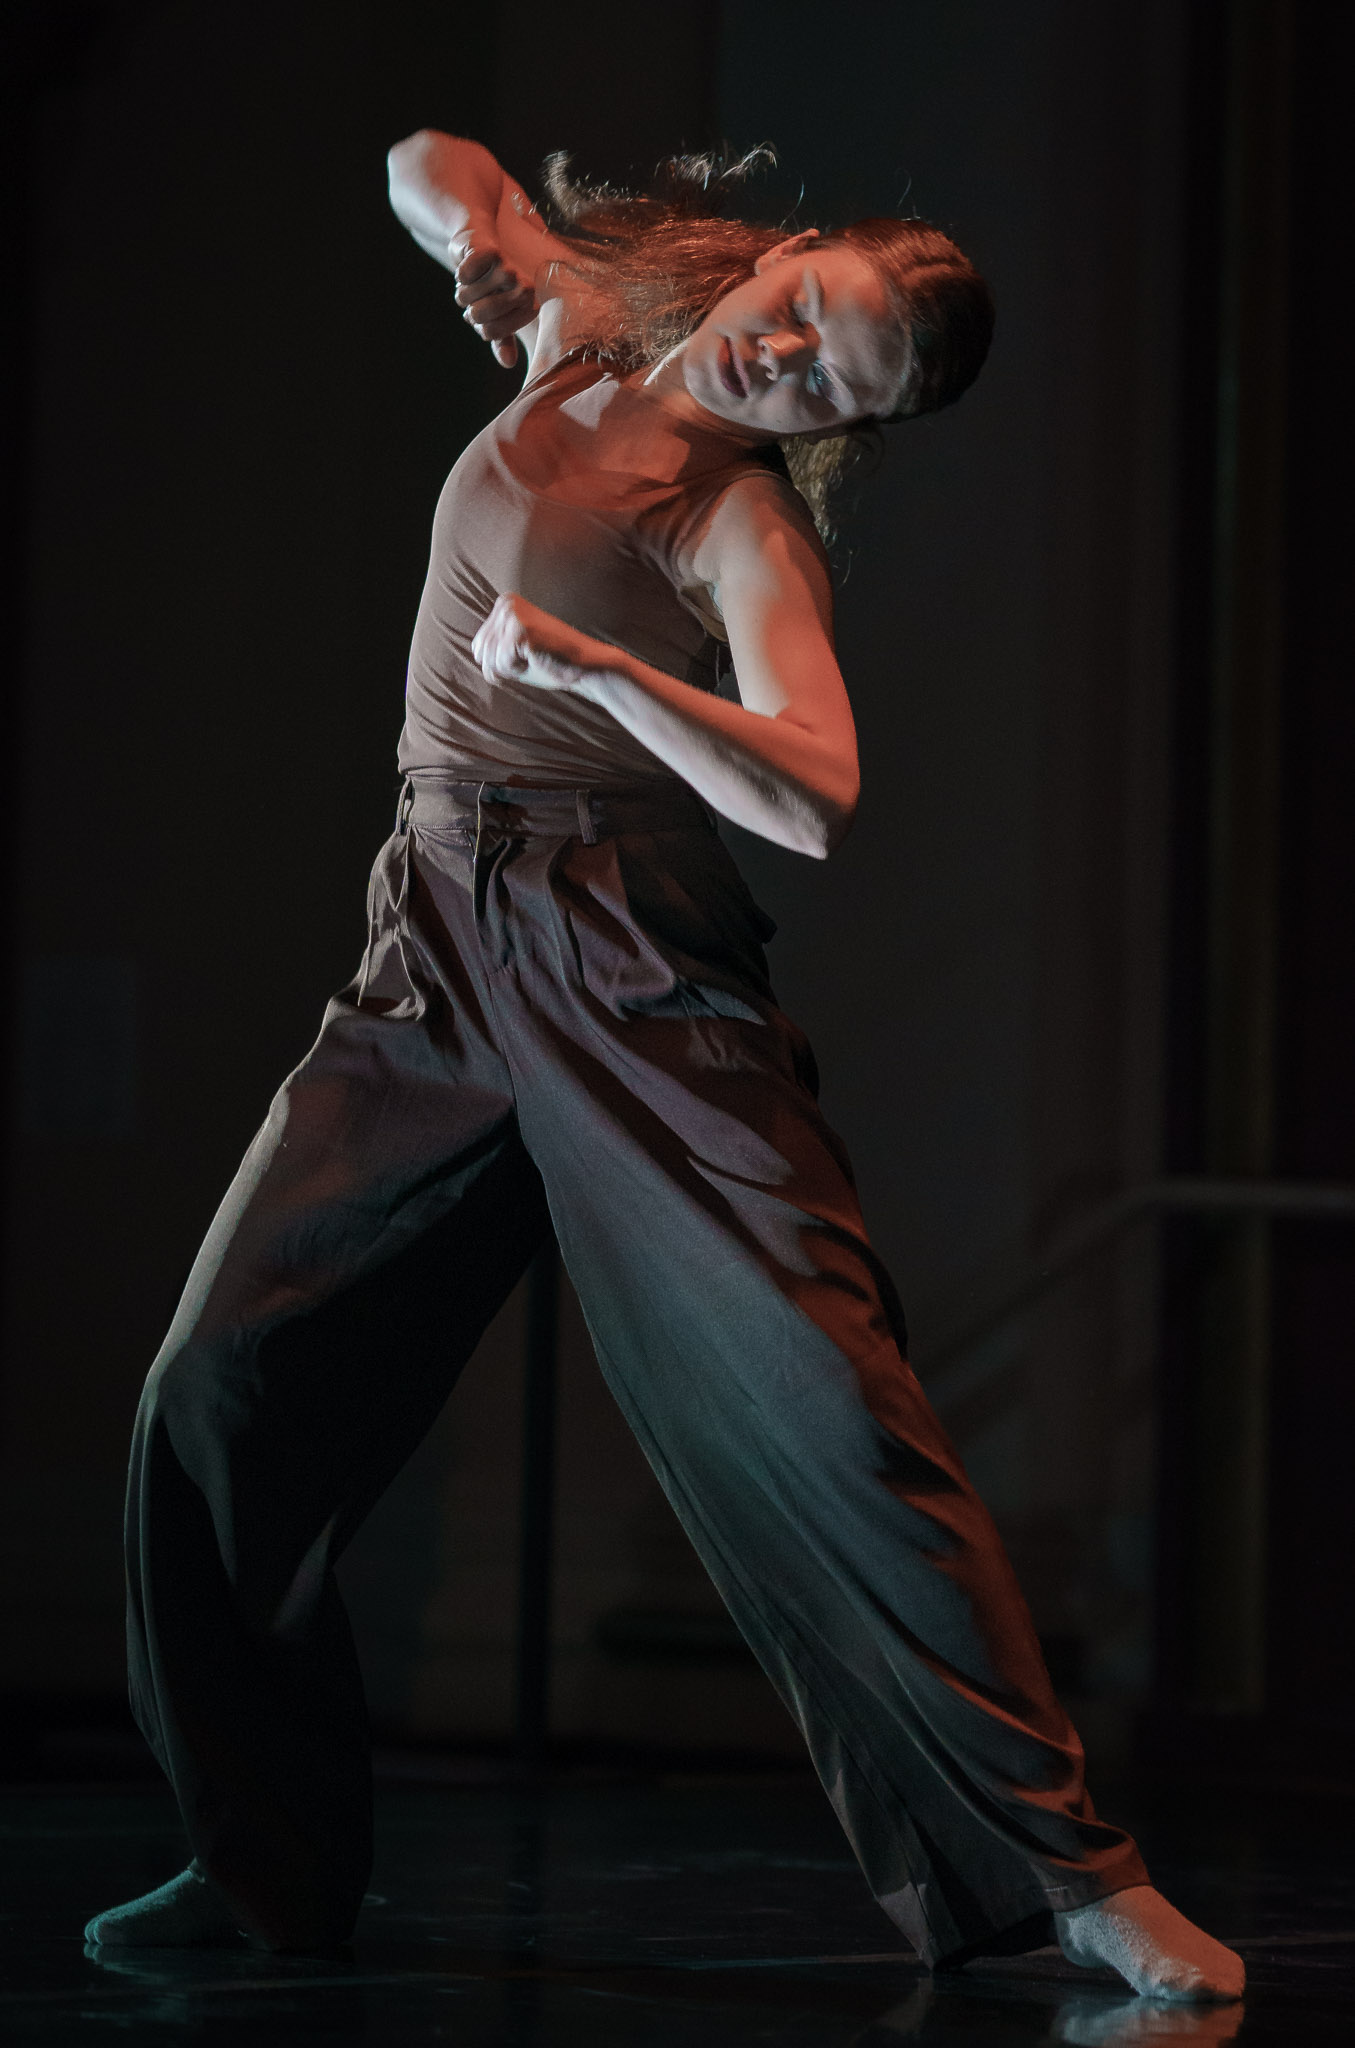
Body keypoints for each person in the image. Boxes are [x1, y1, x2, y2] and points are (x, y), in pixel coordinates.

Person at [84, 131, 1243, 2004]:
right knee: (220, 1389)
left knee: (823, 1409)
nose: (784, 362)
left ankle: (1075, 1879)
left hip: (624, 961)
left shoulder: (739, 524)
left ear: (843, 428)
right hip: (434, 942)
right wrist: (482, 239)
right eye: (804, 312)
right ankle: (257, 1857)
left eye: (831, 384)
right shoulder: (584, 330)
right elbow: (427, 163)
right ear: (786, 253)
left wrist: (610, 678)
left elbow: (820, 791)